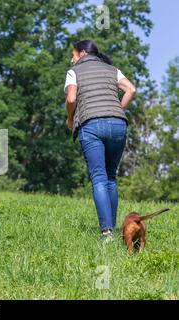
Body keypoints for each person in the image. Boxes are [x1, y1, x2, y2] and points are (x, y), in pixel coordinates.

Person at [64, 40, 136, 241]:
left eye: (74, 54)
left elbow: (71, 99)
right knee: (111, 176)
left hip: (91, 125)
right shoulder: (112, 69)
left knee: (98, 177)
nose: (72, 59)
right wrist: (118, 110)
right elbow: (131, 89)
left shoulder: (74, 72)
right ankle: (111, 228)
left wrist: (70, 119)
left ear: (83, 53)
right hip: (118, 125)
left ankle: (107, 232)